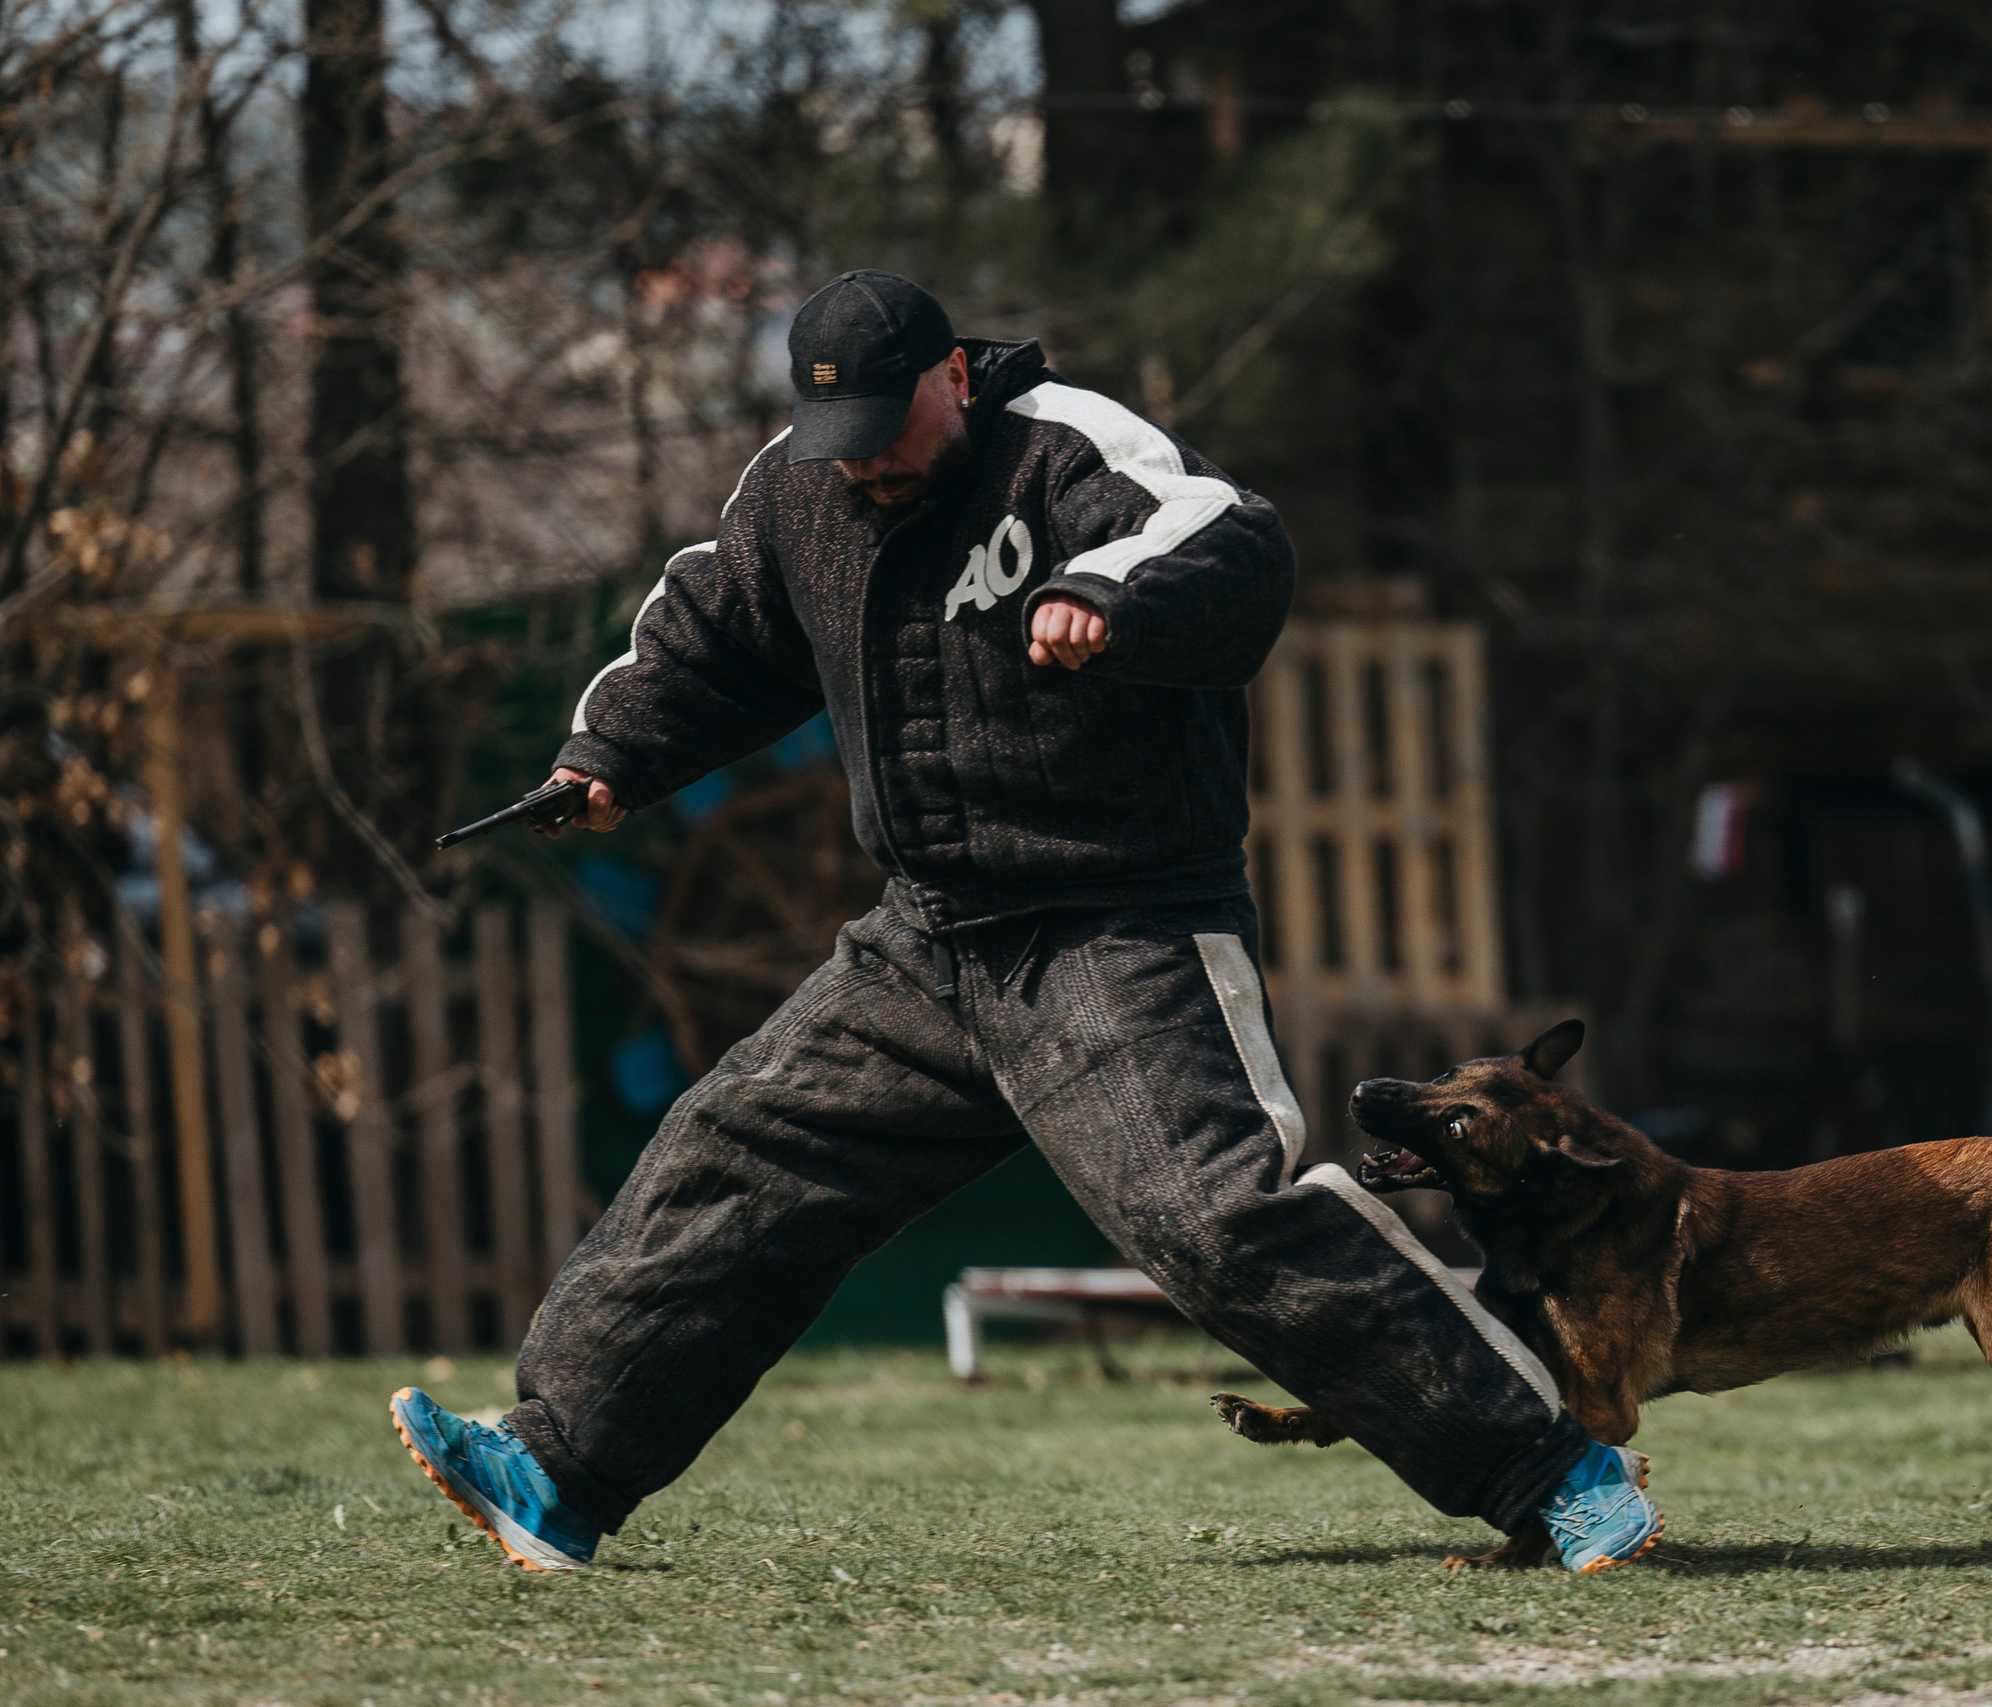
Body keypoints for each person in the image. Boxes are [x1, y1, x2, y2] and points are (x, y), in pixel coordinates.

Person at [388, 270, 1660, 1575]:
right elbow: (718, 631)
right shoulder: (795, 491)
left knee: (1214, 1222)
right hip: (928, 940)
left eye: (890, 427)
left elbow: (1227, 543)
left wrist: (1112, 602)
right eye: (841, 440)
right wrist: (613, 752)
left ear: (952, 374)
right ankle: (558, 1465)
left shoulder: (1067, 450)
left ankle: (1556, 1474)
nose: (867, 463)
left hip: (1118, 927)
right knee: (738, 1155)